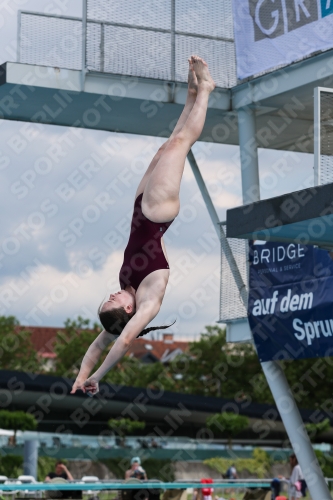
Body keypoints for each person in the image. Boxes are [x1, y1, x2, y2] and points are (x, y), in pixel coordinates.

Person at [70, 55, 216, 397]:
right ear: (128, 309)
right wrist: (99, 378)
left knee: (165, 148)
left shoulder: (126, 295)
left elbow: (95, 347)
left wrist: (81, 374)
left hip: (140, 210)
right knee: (179, 146)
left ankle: (192, 95)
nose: (111, 293)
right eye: (112, 300)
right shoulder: (148, 300)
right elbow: (122, 343)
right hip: (158, 214)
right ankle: (206, 90)